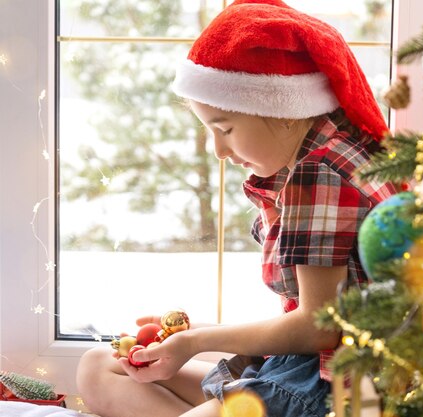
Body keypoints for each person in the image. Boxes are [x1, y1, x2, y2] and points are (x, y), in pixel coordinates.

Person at [76, 1, 396, 416]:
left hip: (330, 387)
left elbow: (318, 328)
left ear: (280, 111)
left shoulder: (321, 171)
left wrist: (194, 343)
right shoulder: (319, 154)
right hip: (296, 368)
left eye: (225, 128)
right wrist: (187, 333)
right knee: (97, 367)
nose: (218, 151)